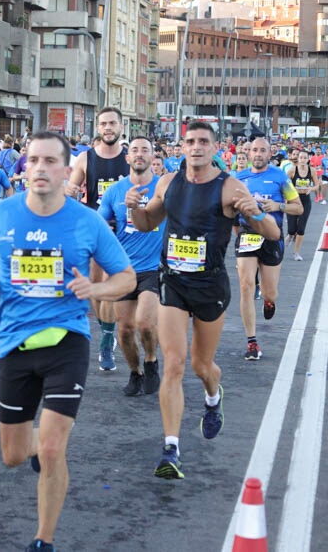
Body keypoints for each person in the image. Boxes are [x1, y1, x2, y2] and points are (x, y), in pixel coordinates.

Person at [0, 131, 135, 551]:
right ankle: (39, 451)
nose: (40, 169)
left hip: (67, 343)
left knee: (53, 445)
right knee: (12, 455)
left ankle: (43, 540)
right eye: (33, 161)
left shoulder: (87, 221)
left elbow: (126, 277)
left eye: (50, 162)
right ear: (24, 168)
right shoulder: (3, 214)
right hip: (14, 344)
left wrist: (94, 292)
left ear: (66, 171)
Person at [128, 121, 279, 480]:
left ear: (215, 148)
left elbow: (272, 233)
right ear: (181, 146)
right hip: (174, 284)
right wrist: (135, 207)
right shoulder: (168, 183)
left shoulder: (229, 186)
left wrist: (252, 213)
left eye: (203, 142)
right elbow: (148, 223)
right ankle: (171, 448)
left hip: (210, 286)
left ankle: (213, 396)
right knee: (175, 364)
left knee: (201, 366)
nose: (196, 147)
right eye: (190, 141)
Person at [97, 137, 163, 397]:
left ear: (152, 157)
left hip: (153, 267)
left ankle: (151, 361)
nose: (139, 154)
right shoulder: (115, 191)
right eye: (134, 150)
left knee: (145, 324)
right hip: (123, 269)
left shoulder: (162, 188)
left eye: (144, 150)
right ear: (127, 158)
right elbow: (99, 220)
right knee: (125, 331)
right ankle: (135, 373)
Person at [66, 107, 130, 372]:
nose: (107, 128)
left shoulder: (129, 159)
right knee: (95, 285)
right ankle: (107, 331)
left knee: (110, 284)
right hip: (93, 229)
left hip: (123, 231)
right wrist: (68, 190)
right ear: (98, 128)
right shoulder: (85, 158)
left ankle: (105, 341)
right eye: (103, 123)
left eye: (112, 123)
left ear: (120, 126)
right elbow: (71, 191)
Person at [234, 137, 301, 360]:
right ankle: (251, 342)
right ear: (249, 153)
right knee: (245, 285)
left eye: (263, 150)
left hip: (271, 236)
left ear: (269, 154)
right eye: (255, 150)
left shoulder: (280, 177)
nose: (259, 154)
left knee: (269, 290)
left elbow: (298, 208)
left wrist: (278, 206)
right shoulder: (239, 178)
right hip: (247, 235)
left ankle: (269, 299)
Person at [288, 149, 315, 260]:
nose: (303, 160)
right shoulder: (292, 170)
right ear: (298, 159)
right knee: (291, 229)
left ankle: (296, 253)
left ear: (308, 159)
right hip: (294, 200)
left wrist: (311, 188)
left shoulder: (312, 171)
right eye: (301, 157)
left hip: (305, 200)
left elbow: (317, 185)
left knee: (301, 229)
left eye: (305, 158)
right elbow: (284, 184)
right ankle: (290, 235)